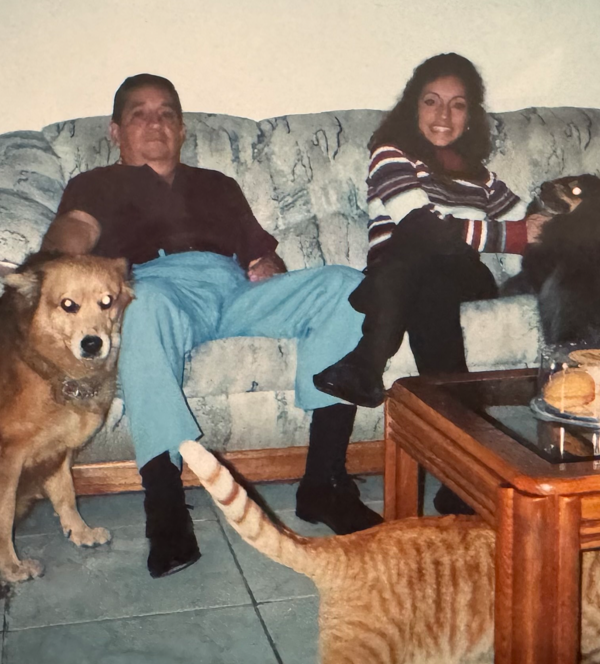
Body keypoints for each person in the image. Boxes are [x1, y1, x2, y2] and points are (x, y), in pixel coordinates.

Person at [41, 74, 381, 578]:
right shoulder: (96, 183)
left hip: (235, 290)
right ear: (115, 131)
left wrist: (268, 266)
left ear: (181, 130)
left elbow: (262, 254)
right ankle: (164, 506)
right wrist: (64, 256)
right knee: (145, 304)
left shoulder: (218, 185)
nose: (155, 123)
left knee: (345, 285)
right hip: (157, 287)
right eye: (140, 114)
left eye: (167, 114)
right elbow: (76, 232)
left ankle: (324, 483)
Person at [312, 53, 549, 514]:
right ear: (413, 106)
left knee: (427, 252)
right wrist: (511, 235)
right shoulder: (390, 154)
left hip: (448, 276)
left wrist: (546, 227)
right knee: (423, 262)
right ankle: (460, 476)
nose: (444, 115)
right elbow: (418, 222)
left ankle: (367, 359)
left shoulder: (481, 176)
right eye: (432, 102)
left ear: (470, 115)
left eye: (458, 105)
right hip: (411, 276)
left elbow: (527, 225)